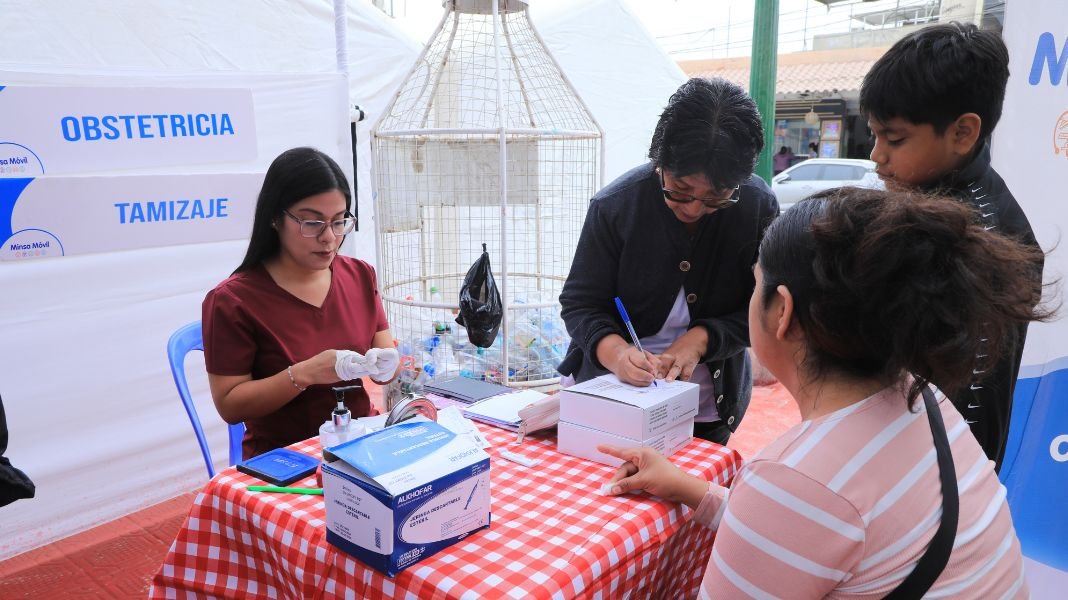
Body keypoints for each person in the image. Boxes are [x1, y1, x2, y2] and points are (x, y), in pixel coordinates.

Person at [601, 188, 1047, 597]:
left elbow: (805, 511)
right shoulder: (924, 398)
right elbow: (811, 535)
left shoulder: (797, 480)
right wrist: (688, 487)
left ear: (783, 311)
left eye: (756, 284)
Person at [860, 21, 1043, 471]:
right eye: (874, 134)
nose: (876, 155)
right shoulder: (950, 202)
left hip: (937, 477)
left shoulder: (955, 234)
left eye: (895, 139)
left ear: (963, 133)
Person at [558, 78, 779, 445]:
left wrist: (700, 340)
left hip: (708, 405)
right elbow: (580, 303)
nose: (694, 208)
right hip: (610, 395)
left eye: (716, 198)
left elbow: (764, 307)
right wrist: (616, 352)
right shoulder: (616, 206)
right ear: (658, 161)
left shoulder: (756, 207)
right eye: (679, 190)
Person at [202, 147, 399, 460]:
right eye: (312, 223)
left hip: (360, 448)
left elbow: (384, 364)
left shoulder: (360, 275)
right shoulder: (233, 301)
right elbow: (230, 404)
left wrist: (387, 365)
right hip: (286, 463)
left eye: (339, 222)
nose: (329, 238)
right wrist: (303, 374)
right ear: (275, 219)